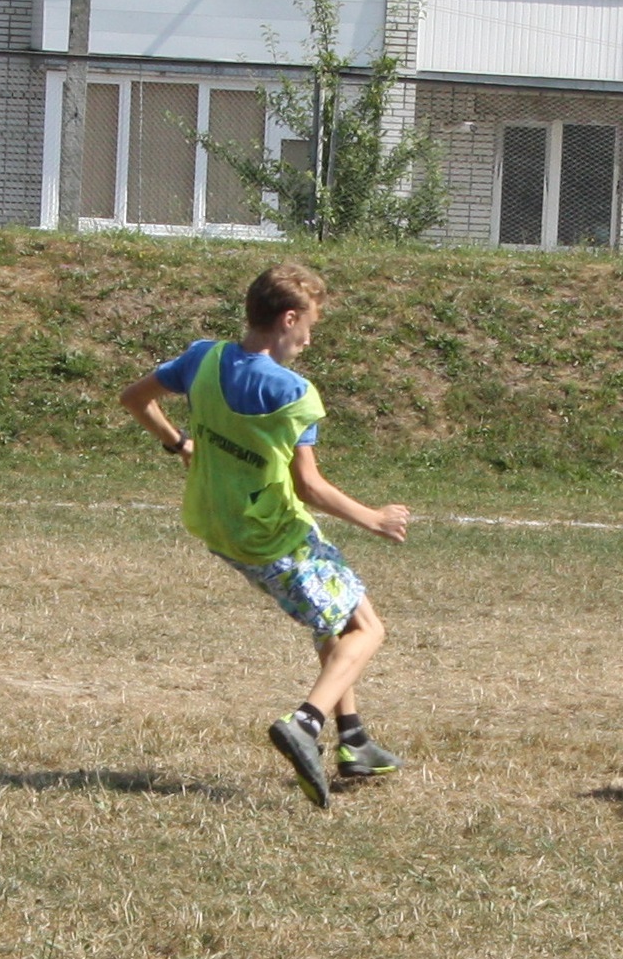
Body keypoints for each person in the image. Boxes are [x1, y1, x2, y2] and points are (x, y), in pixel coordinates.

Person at [119, 262, 411, 809]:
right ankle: (306, 723)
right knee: (366, 628)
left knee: (330, 617)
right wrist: (372, 517)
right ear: (289, 319)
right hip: (275, 535)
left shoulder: (202, 358)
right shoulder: (294, 393)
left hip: (219, 526)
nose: (309, 340)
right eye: (310, 326)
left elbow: (134, 398)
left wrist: (179, 444)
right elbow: (308, 486)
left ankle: (354, 741)